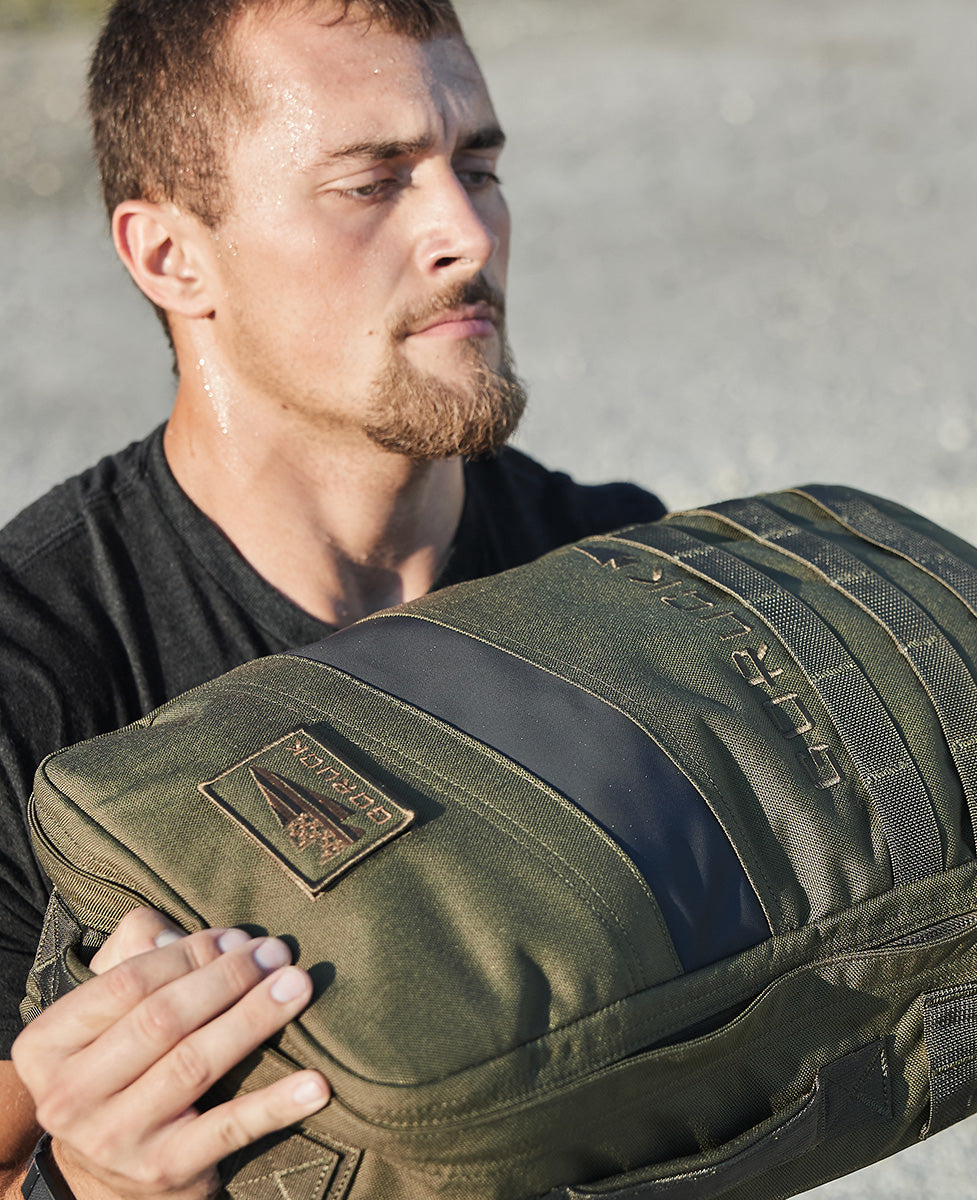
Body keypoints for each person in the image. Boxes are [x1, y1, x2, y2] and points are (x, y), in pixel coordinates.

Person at [0, 1, 664, 1196]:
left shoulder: (612, 574)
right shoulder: (33, 675)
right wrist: (91, 1185)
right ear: (170, 256)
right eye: (371, 183)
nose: (466, 232)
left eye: (480, 165)